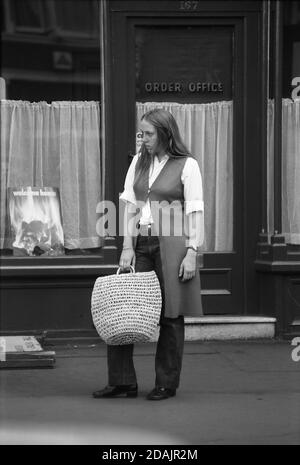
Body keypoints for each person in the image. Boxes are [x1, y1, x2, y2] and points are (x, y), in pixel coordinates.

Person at [93, 108, 204, 400]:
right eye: (141, 133)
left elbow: (194, 211)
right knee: (122, 307)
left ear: (166, 133)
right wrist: (127, 247)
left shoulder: (187, 165)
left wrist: (192, 251)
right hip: (141, 243)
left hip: (173, 244)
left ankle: (166, 383)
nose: (143, 139)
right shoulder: (138, 163)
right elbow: (129, 207)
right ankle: (122, 382)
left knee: (171, 314)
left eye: (149, 134)